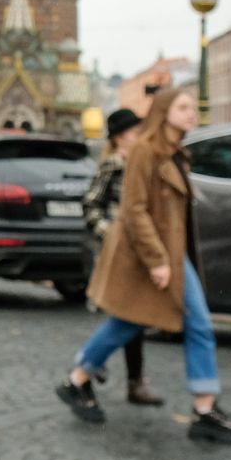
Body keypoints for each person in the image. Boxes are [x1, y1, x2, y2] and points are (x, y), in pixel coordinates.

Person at [57, 86, 231, 446]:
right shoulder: (145, 151)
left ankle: (80, 379)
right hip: (153, 257)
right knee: (172, 323)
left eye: (193, 107)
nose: (192, 113)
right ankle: (203, 409)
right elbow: (134, 210)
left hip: (172, 255)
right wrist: (158, 260)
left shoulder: (176, 153)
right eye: (183, 107)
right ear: (164, 113)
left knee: (148, 322)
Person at [80, 107, 161, 407]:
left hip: (137, 250)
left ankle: (115, 373)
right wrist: (110, 234)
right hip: (118, 253)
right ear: (119, 139)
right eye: (135, 133)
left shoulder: (140, 164)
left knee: (131, 316)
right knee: (129, 316)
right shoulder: (113, 165)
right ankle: (92, 364)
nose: (141, 138)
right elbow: (90, 205)